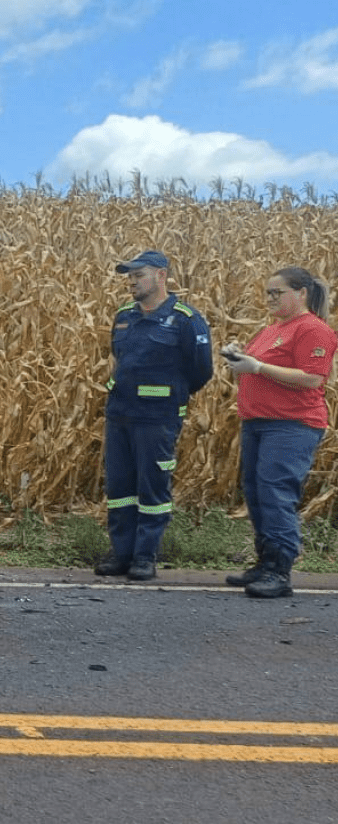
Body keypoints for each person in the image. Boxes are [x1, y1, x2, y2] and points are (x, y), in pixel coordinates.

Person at [218, 267, 337, 598]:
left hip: (291, 424)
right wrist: (240, 355)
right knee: (256, 493)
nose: (270, 298)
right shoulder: (274, 329)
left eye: (277, 292)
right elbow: (262, 365)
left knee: (275, 492)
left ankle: (279, 571)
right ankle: (265, 562)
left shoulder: (314, 330)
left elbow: (312, 378)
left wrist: (256, 366)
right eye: (268, 293)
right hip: (257, 421)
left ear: (300, 293)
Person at [97, 250, 214, 581]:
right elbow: (118, 357)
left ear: (161, 276)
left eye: (139, 274)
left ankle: (145, 557)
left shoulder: (185, 319)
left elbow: (201, 371)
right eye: (129, 276)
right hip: (120, 414)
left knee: (152, 487)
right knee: (120, 487)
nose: (132, 281)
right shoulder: (123, 316)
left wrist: (168, 395)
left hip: (157, 417)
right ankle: (120, 554)